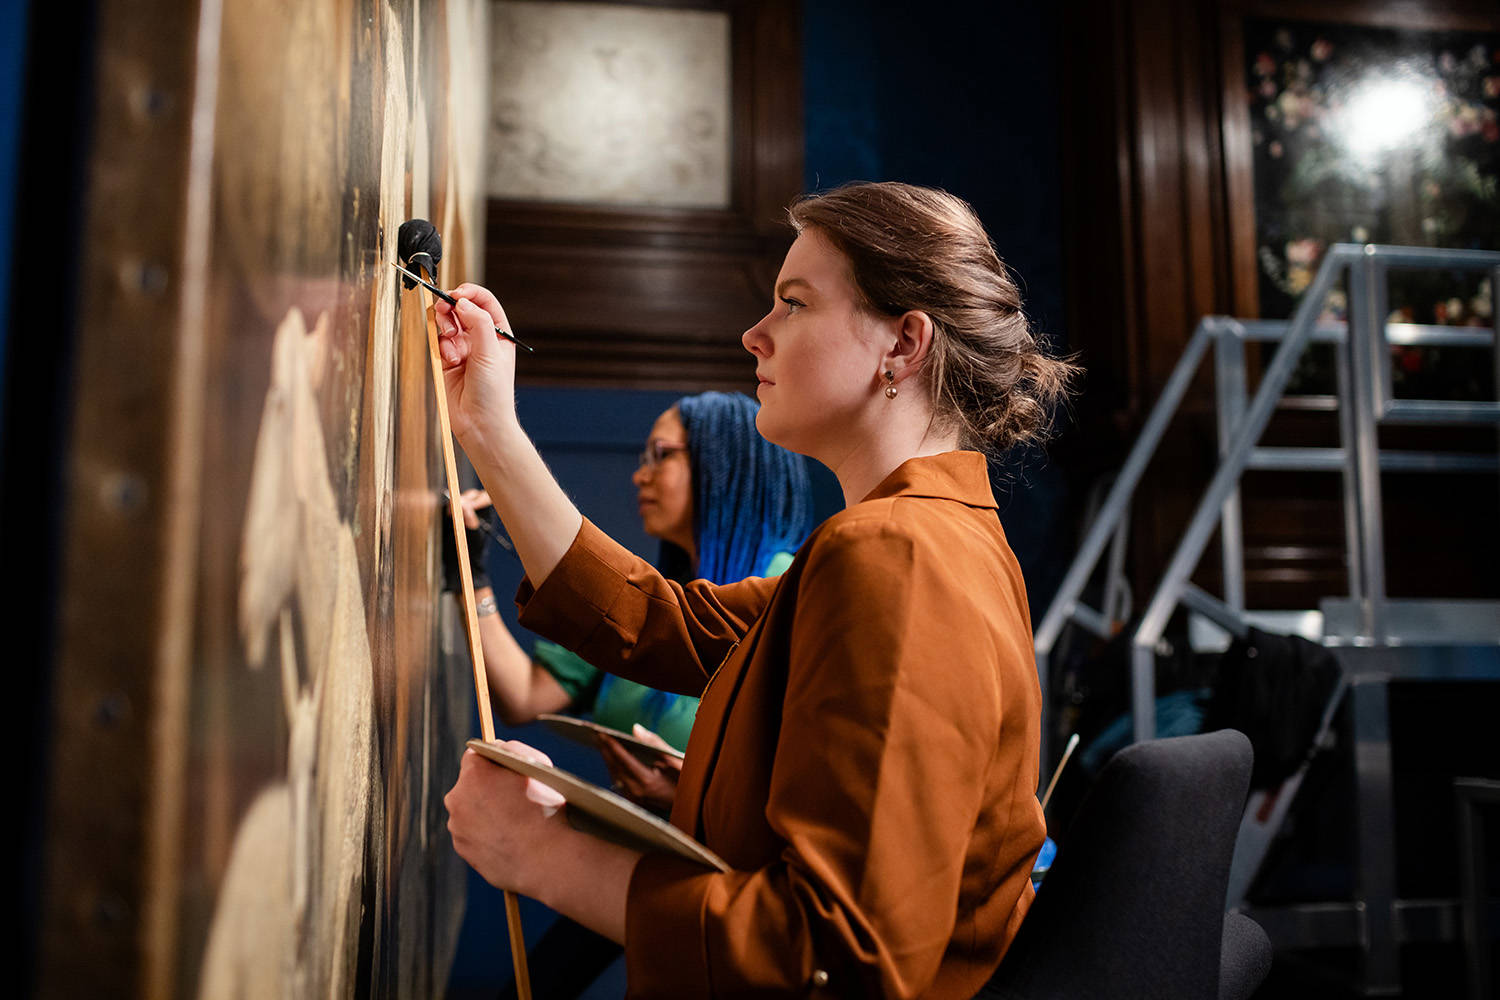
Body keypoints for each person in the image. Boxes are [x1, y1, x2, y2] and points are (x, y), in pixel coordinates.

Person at [440, 181, 1075, 998]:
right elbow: (654, 619)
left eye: (795, 303)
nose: (754, 335)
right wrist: (490, 427)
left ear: (904, 344)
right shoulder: (926, 537)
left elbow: (837, 956)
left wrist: (540, 851)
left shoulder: (901, 556)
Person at [450, 391, 813, 812]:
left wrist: (689, 798)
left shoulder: (787, 587)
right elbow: (526, 696)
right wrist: (471, 577)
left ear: (725, 466)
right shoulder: (653, 600)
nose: (641, 476)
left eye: (662, 455)